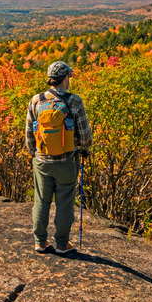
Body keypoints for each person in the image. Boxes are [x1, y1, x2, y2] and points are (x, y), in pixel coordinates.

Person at [25, 61, 92, 254]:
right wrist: (84, 149)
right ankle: (62, 244)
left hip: (42, 160)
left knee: (41, 201)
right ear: (65, 78)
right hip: (66, 161)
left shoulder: (36, 100)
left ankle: (40, 241)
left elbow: (30, 133)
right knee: (65, 202)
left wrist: (34, 154)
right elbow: (85, 134)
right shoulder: (74, 101)